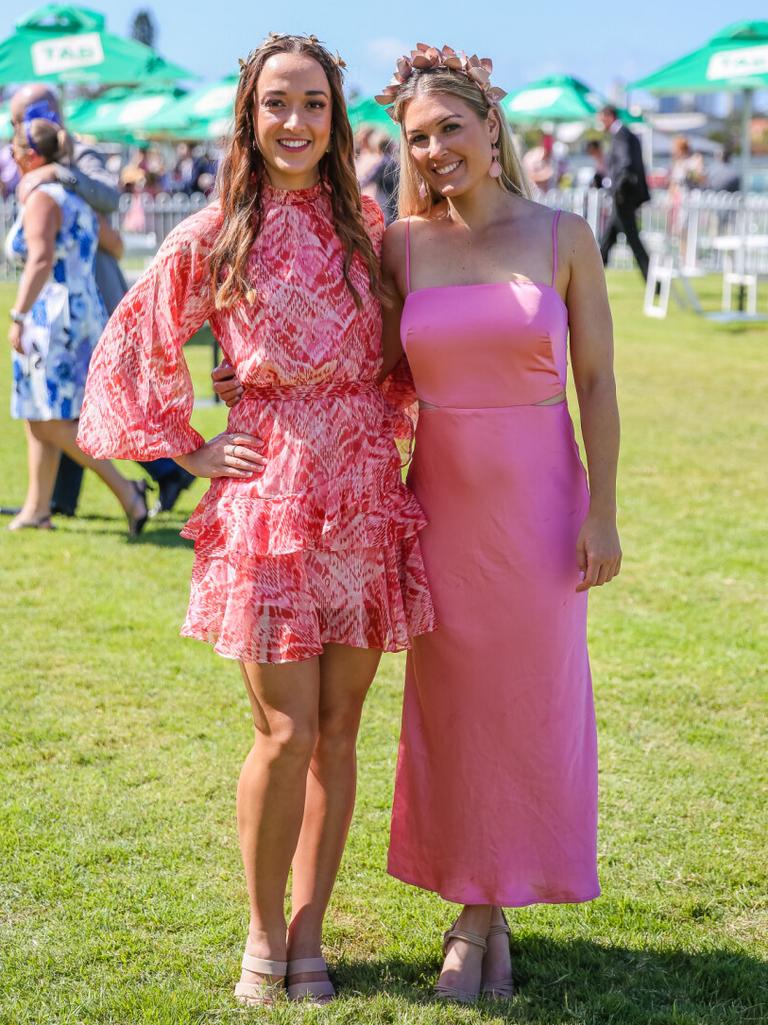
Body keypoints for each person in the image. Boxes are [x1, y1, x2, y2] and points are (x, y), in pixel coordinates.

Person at [77, 33, 434, 1007]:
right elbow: (130, 343)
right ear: (249, 114)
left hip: (362, 493)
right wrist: (187, 446)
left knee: (343, 726)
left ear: (335, 116)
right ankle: (264, 932)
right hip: (268, 496)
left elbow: (406, 349)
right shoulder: (215, 230)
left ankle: (315, 931)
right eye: (277, 102)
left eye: (313, 103)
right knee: (285, 727)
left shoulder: (369, 225)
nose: (295, 121)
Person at [375, 44, 621, 1002]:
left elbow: (596, 382)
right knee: (454, 707)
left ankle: (476, 922)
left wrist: (603, 510)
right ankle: (482, 907)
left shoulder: (564, 236)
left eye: (450, 129)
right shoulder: (400, 245)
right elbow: (357, 361)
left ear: (491, 128)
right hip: (440, 502)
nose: (436, 150)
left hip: (541, 502)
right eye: (418, 138)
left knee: (527, 705)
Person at [10, 84, 194, 518]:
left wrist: (58, 174)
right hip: (77, 305)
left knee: (80, 408)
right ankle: (50, 504)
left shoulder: (72, 165)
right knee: (66, 408)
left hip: (74, 305)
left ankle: (153, 478)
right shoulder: (51, 186)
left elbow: (109, 202)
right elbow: (109, 237)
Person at [6, 110, 149, 534]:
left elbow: (41, 258)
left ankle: (128, 492)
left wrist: (18, 315)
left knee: (51, 419)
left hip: (52, 316)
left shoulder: (43, 197)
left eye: (14, 151)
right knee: (40, 413)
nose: (11, 159)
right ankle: (37, 509)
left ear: (31, 155)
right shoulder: (74, 197)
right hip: (82, 310)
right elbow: (116, 244)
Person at [597, 104, 650, 280]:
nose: (600, 122)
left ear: (609, 116)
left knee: (632, 240)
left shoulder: (621, 134)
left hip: (623, 197)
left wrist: (617, 189)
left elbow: (625, 164)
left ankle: (652, 278)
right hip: (623, 196)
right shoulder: (623, 134)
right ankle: (593, 274)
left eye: (601, 118)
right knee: (609, 238)